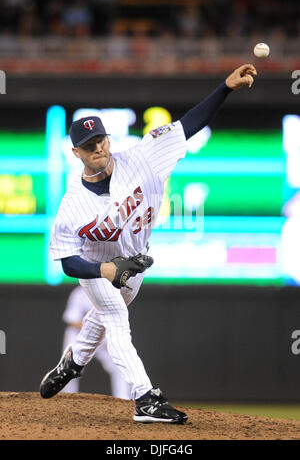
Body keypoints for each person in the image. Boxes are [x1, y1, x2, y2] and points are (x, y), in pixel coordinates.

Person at [39, 64, 257, 424]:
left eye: (101, 140)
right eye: (88, 145)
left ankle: (73, 361)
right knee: (115, 317)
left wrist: (225, 88)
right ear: (76, 152)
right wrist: (102, 270)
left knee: (107, 315)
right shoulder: (71, 206)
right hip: (97, 268)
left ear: (108, 138)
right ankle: (146, 399)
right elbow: (67, 262)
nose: (98, 148)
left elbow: (189, 125)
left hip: (134, 264)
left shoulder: (142, 158)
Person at [61, 285, 131, 399]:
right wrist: (94, 328)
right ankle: (67, 397)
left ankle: (123, 399)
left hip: (103, 336)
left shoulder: (109, 292)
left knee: (120, 364)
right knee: (70, 367)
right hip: (80, 335)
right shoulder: (79, 293)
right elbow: (72, 320)